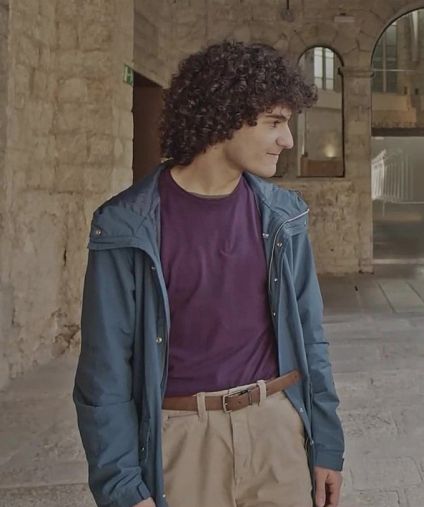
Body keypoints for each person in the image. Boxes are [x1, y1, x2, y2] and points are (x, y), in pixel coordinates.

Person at [74, 41, 344, 507]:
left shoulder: (284, 217)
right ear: (225, 117)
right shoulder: (125, 225)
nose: (287, 139)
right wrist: (121, 488)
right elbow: (105, 370)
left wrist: (327, 444)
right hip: (181, 442)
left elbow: (311, 339)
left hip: (277, 433)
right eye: (274, 122)